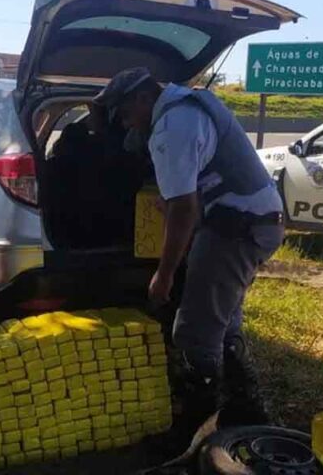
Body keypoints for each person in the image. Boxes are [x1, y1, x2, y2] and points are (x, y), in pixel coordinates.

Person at [93, 67, 285, 446]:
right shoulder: (186, 107)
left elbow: (183, 208)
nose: (127, 123)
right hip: (257, 221)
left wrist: (164, 274)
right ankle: (246, 407)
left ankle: (197, 426)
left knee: (194, 331)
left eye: (126, 114)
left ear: (143, 98)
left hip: (236, 228)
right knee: (223, 322)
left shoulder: (174, 126)